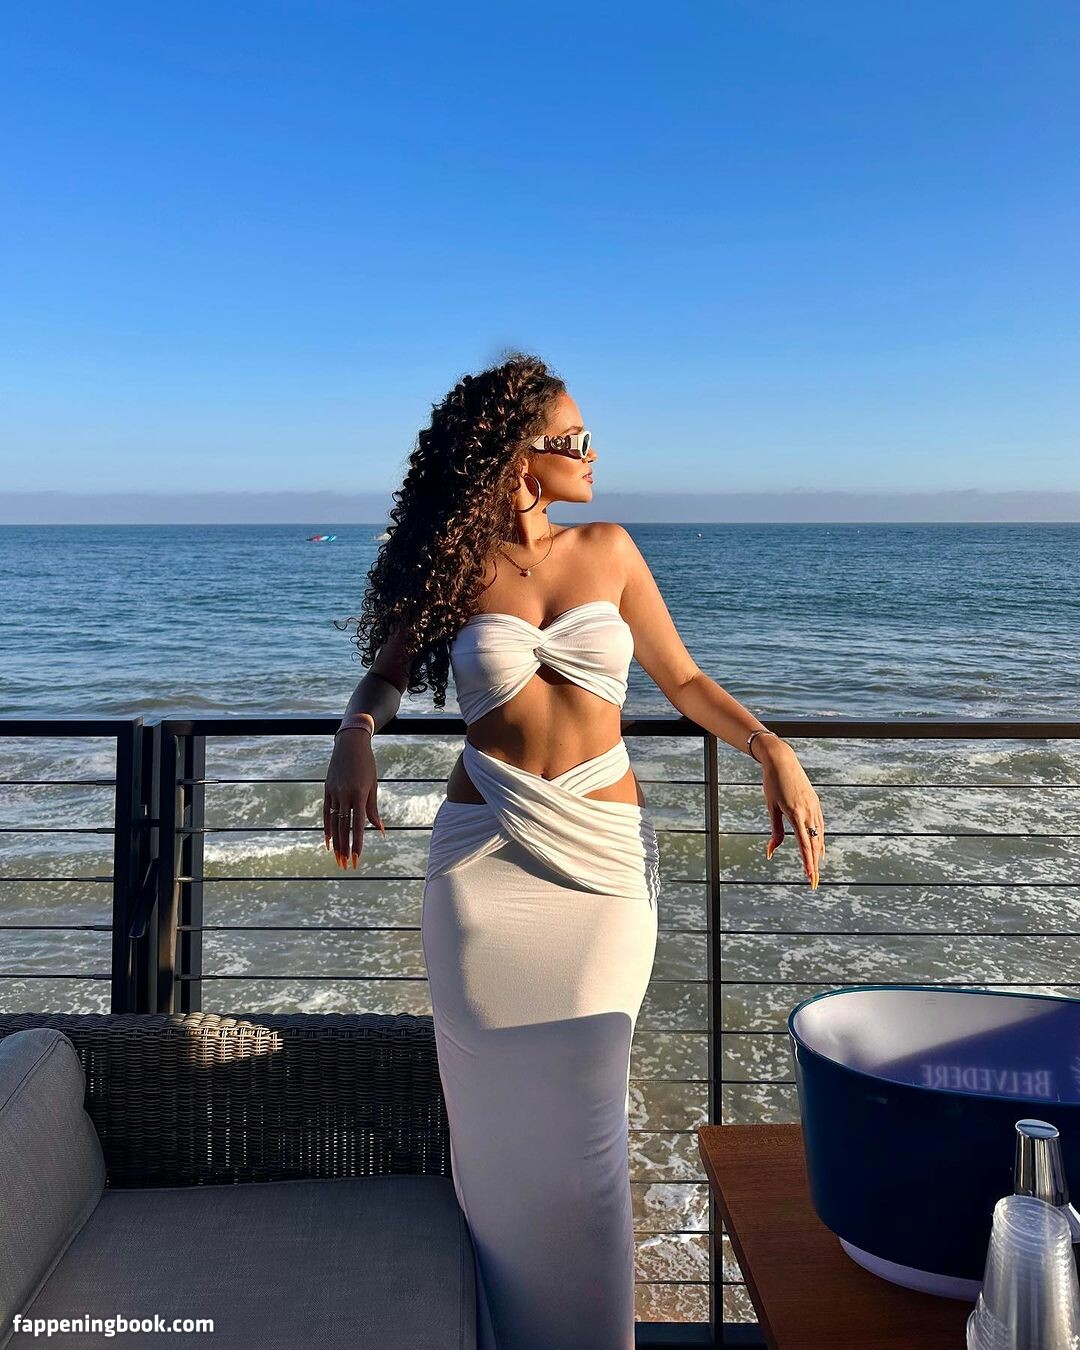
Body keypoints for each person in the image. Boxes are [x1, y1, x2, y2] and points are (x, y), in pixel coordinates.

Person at [322, 351, 825, 1349]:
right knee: (493, 1131)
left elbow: (683, 680)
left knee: (590, 1128)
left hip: (602, 865)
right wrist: (355, 732)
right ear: (520, 454)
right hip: (483, 863)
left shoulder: (610, 549)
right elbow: (385, 677)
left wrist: (770, 747)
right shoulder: (456, 564)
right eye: (576, 438)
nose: (594, 453)